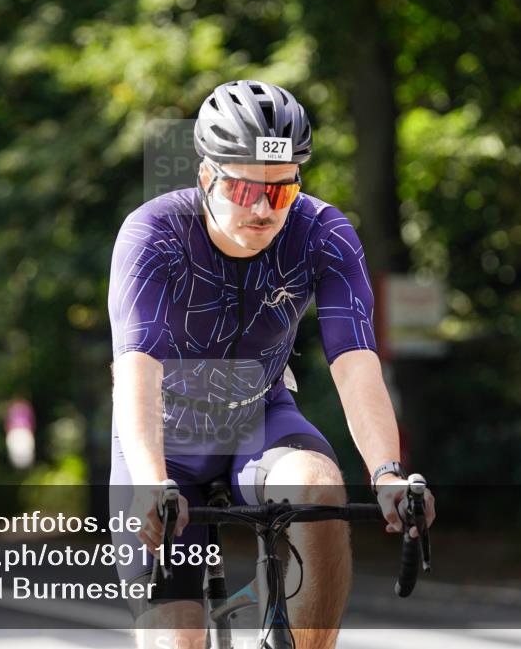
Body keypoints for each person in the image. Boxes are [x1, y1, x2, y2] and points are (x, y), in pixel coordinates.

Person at [108, 80, 436, 649]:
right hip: (164, 439)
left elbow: (355, 361)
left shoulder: (322, 233)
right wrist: (151, 479)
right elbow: (137, 364)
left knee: (320, 491)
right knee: (175, 636)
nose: (262, 209)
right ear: (206, 176)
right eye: (243, 188)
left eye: (281, 192)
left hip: (257, 419)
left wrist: (386, 474)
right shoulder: (154, 233)